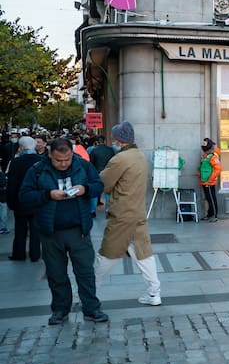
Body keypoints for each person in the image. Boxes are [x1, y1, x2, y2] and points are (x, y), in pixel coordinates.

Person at [19, 137, 107, 325]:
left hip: (79, 230)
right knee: (56, 273)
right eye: (59, 160)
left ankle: (92, 308)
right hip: (50, 231)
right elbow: (24, 196)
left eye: (67, 159)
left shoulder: (83, 166)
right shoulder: (38, 170)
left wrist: (85, 189)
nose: (63, 163)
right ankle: (60, 309)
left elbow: (98, 185)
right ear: (50, 154)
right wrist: (47, 194)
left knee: (85, 273)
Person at [94, 122, 162, 306]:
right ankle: (154, 293)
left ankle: (90, 290)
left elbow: (103, 184)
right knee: (143, 254)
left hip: (122, 214)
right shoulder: (139, 156)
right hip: (137, 212)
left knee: (107, 253)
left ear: (118, 140)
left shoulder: (120, 159)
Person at [7, 136, 43, 261]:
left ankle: (19, 253)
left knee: (20, 229)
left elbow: (12, 184)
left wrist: (11, 202)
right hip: (37, 200)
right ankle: (35, 254)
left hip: (20, 201)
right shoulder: (41, 161)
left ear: (21, 147)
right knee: (36, 229)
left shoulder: (16, 162)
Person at [89, 135, 116, 217]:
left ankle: (93, 211)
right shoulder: (110, 150)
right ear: (104, 141)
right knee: (108, 192)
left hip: (97, 173)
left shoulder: (94, 151)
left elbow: (91, 164)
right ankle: (108, 210)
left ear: (96, 142)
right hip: (108, 173)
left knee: (94, 193)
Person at [199, 138, 222, 222]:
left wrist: (210, 179)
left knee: (211, 199)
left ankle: (214, 215)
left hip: (209, 182)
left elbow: (218, 169)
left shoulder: (213, 156)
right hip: (204, 181)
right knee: (209, 199)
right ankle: (209, 214)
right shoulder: (205, 156)